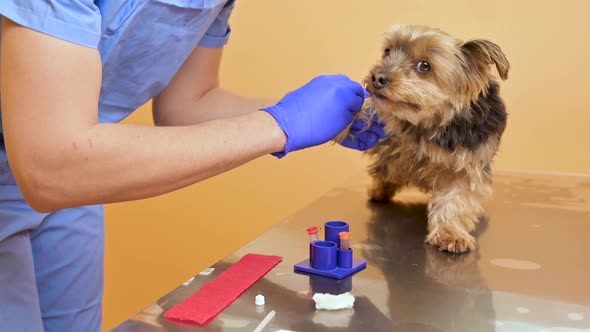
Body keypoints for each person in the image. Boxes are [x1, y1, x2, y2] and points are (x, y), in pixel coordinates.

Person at [0, 1, 386, 331]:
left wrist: (297, 115)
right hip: (55, 164)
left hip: (82, 174)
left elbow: (187, 103)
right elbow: (51, 166)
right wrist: (279, 126)